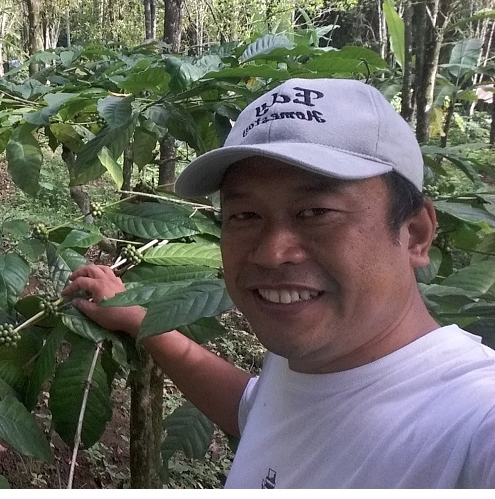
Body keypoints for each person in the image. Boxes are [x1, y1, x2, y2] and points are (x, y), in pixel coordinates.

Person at [62, 78, 495, 488]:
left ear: (415, 234)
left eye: (316, 211)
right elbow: (257, 413)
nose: (271, 253)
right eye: (245, 216)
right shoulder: (304, 364)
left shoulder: (473, 419)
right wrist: (140, 318)